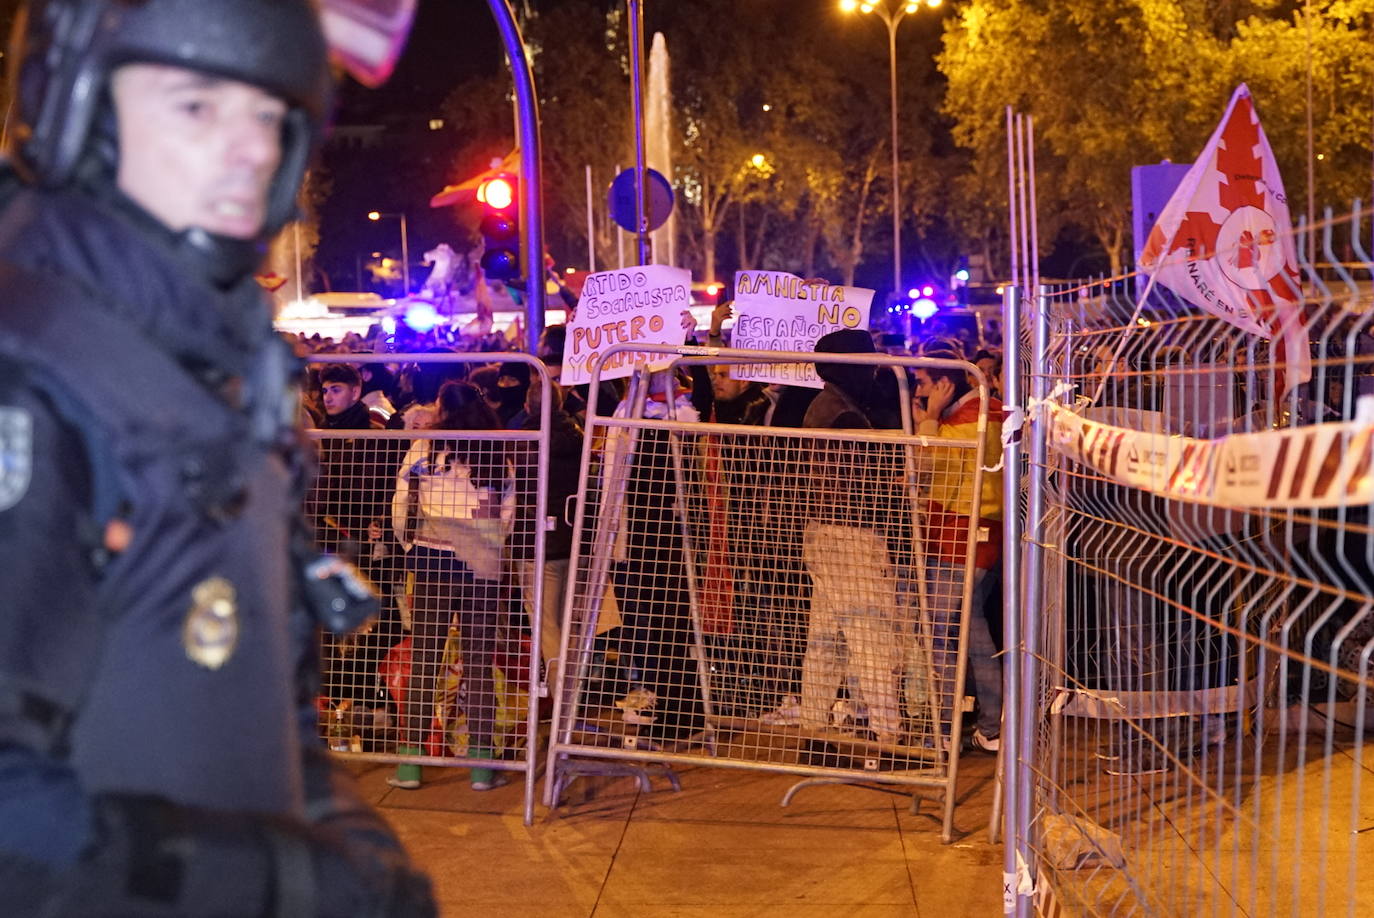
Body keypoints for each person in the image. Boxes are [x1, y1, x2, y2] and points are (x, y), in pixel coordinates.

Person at [0, 1, 433, 914]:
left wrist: (347, 842)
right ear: (83, 111)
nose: (249, 149)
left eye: (269, 115)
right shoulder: (32, 377)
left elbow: (266, 698)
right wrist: (279, 880)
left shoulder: (213, 364)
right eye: (195, 106)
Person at [390, 381, 515, 791]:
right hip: (481, 559)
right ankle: (481, 763)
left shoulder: (426, 448)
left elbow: (401, 500)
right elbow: (508, 513)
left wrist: (409, 542)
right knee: (479, 662)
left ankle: (411, 761)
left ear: (443, 408)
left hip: (433, 557)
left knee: (426, 658)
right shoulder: (498, 451)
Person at [912, 346, 1005, 753]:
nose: (917, 391)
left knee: (938, 632)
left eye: (922, 384)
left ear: (944, 384)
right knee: (974, 633)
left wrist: (929, 418)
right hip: (976, 536)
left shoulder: (969, 420)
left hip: (961, 537)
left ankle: (946, 730)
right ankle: (991, 725)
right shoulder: (990, 411)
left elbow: (925, 464)